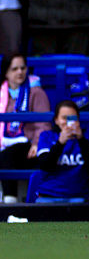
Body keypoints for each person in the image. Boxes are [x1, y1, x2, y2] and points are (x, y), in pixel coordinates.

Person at [0, 53, 51, 202]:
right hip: (4, 142)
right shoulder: (2, 92)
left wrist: (37, 143)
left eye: (22, 68)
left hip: (27, 146)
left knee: (7, 155)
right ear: (6, 72)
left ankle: (10, 201)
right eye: (14, 69)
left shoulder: (36, 92)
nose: (20, 72)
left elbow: (44, 123)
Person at [33, 100, 89, 203]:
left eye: (72, 118)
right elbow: (45, 165)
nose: (68, 122)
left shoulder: (87, 138)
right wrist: (61, 143)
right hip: (48, 196)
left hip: (78, 197)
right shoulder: (46, 136)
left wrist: (81, 139)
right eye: (64, 118)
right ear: (56, 120)